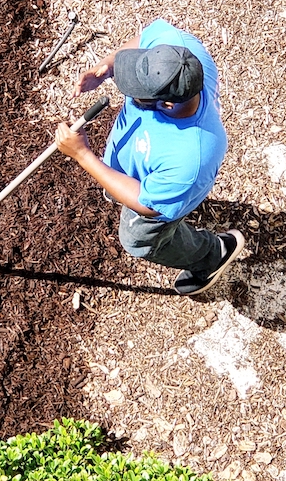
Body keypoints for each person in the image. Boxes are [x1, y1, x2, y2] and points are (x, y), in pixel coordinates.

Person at [54, 18, 244, 296]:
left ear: (167, 103)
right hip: (145, 168)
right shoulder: (178, 51)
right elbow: (144, 40)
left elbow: (147, 203)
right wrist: (107, 67)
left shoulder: (191, 158)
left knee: (137, 241)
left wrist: (83, 155)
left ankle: (213, 254)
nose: (124, 85)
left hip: (155, 195)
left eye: (135, 91)